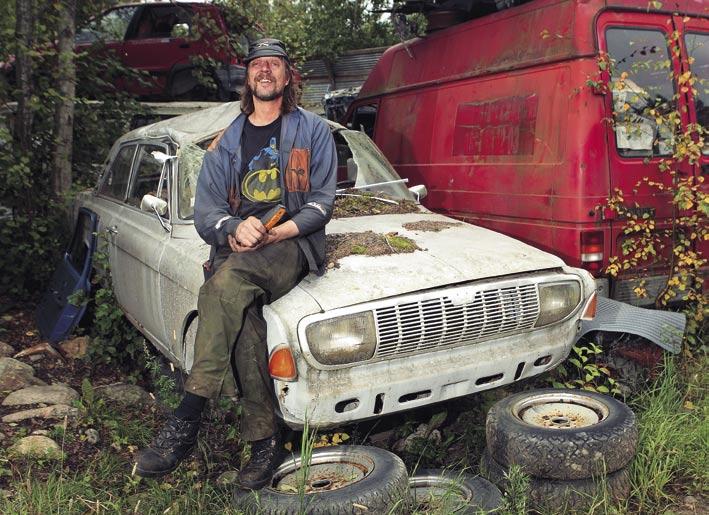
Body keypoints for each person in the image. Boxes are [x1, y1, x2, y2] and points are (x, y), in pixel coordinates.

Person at [135, 38, 337, 490]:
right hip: (237, 248)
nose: (265, 71)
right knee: (243, 317)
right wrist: (233, 226)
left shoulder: (312, 131)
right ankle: (266, 443)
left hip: (289, 244)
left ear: (288, 76)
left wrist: (276, 230)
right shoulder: (225, 142)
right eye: (257, 65)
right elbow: (205, 213)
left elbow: (323, 202)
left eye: (274, 64)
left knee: (221, 287)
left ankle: (188, 414)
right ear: (249, 77)